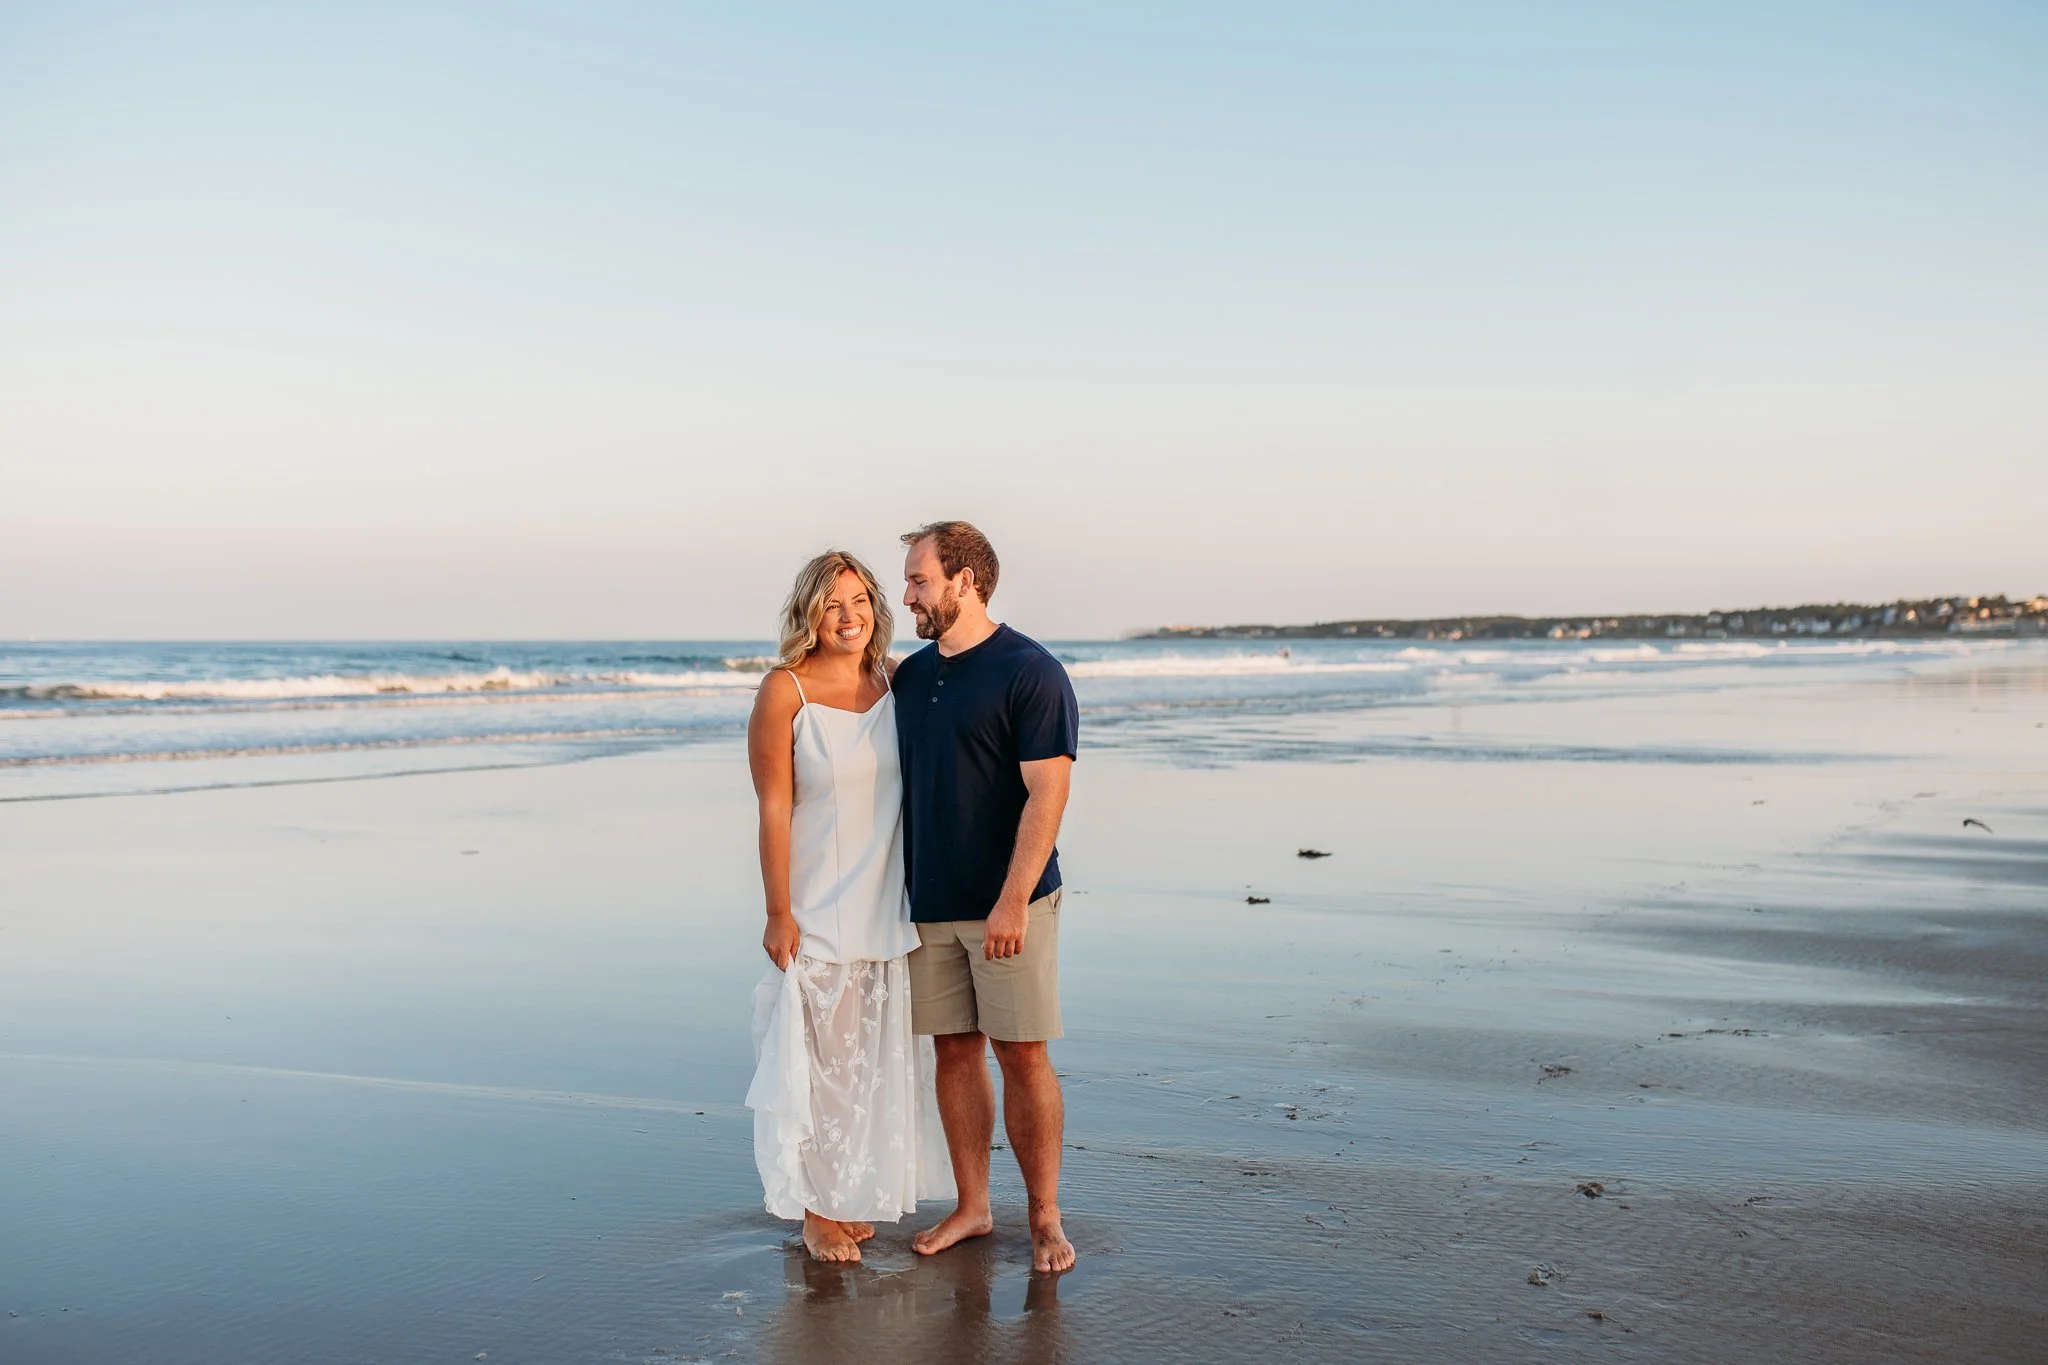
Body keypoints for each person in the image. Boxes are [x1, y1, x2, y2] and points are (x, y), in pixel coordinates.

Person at [744, 550, 952, 1263]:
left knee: (869, 1057)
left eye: (860, 599)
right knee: (818, 1063)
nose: (849, 614)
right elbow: (774, 808)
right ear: (809, 611)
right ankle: (814, 1210)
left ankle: (842, 1197)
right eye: (833, 602)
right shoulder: (784, 691)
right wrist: (779, 910)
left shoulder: (893, 680)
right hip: (817, 904)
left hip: (887, 901)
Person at [893, 521, 1080, 1274]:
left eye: (918, 579)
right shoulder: (910, 677)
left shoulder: (1029, 671)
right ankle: (974, 1206)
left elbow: (1048, 793)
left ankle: (1044, 1214)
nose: (905, 595)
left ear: (965, 580)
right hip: (929, 900)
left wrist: (1012, 899)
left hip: (1012, 902)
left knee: (1022, 1053)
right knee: (955, 1050)